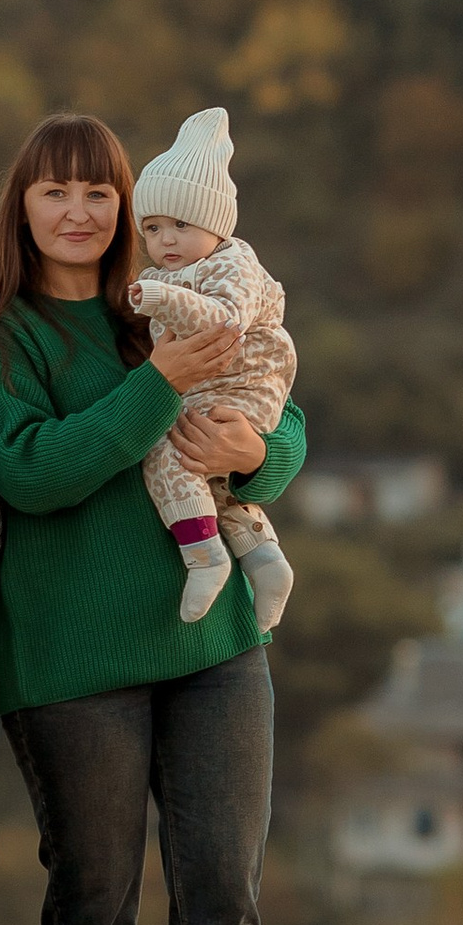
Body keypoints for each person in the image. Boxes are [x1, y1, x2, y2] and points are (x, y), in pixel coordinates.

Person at [0, 111, 307, 925]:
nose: (79, 212)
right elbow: (34, 472)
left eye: (97, 192)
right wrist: (156, 390)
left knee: (222, 902)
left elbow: (282, 423)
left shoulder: (167, 294)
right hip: (68, 662)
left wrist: (249, 452)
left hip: (214, 647)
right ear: (22, 206)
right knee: (92, 911)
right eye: (54, 192)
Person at [123, 105, 298, 628]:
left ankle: (205, 557)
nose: (166, 240)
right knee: (209, 476)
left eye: (181, 224)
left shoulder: (231, 265)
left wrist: (157, 298)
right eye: (153, 228)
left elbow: (223, 322)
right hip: (219, 388)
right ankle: (265, 561)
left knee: (165, 451)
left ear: (215, 224)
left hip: (245, 385)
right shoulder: (176, 272)